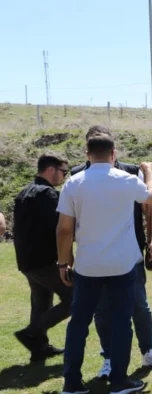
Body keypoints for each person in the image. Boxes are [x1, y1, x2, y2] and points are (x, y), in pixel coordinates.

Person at [55, 134, 152, 394]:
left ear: (87, 154)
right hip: (122, 263)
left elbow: (64, 230)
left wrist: (63, 262)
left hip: (88, 265)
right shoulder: (126, 180)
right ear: (113, 153)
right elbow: (151, 197)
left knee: (78, 323)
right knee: (122, 322)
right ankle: (119, 380)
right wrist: (148, 171)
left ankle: (71, 382)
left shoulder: (73, 183)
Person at [70, 126, 152, 377]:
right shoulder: (76, 177)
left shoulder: (129, 172)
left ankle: (149, 351)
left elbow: (150, 207)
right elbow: (67, 223)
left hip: (130, 253)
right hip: (94, 257)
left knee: (139, 305)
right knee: (102, 311)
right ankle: (109, 357)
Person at [12, 153, 71, 362]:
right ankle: (31, 332)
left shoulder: (24, 192)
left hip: (27, 261)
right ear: (51, 170)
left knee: (41, 304)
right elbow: (58, 228)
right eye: (63, 172)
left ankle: (39, 348)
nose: (64, 176)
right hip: (45, 261)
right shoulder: (48, 194)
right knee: (73, 298)